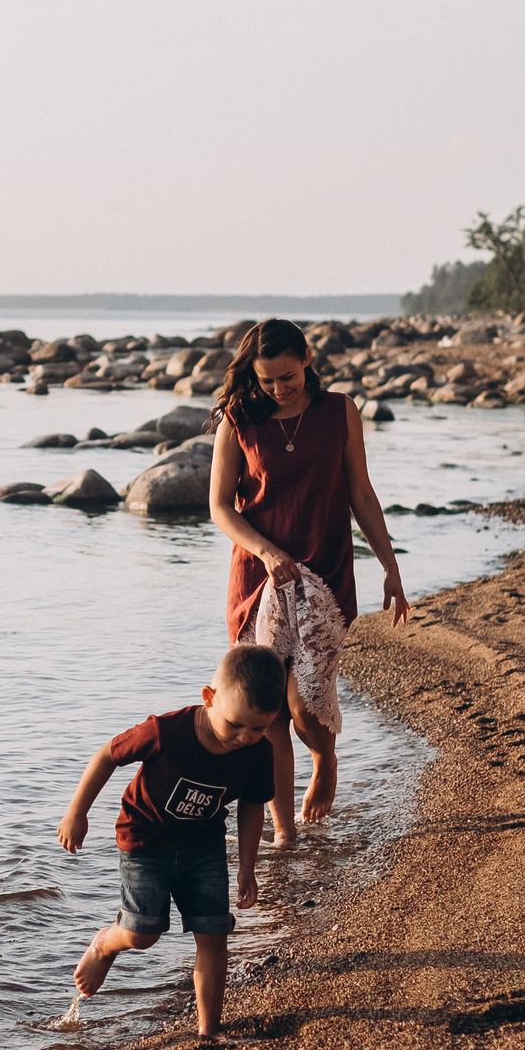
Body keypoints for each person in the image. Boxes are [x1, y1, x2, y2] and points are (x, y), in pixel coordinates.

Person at [205, 318, 408, 841]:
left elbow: (361, 492)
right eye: (267, 380)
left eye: (287, 376)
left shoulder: (339, 411)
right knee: (265, 714)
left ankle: (325, 758)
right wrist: (266, 550)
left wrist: (390, 565)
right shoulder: (238, 419)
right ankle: (282, 833)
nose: (278, 388)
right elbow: (220, 507)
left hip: (326, 570)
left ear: (308, 358)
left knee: (303, 706)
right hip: (257, 578)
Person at [56, 645, 284, 1039]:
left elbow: (252, 806)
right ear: (209, 698)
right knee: (143, 934)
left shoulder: (258, 752)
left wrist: (248, 867)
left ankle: (209, 1030)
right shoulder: (166, 732)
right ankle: (105, 945)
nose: (246, 737)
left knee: (213, 934)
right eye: (235, 725)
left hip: (205, 847)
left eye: (259, 728)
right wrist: (77, 812)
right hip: (144, 841)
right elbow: (106, 756)